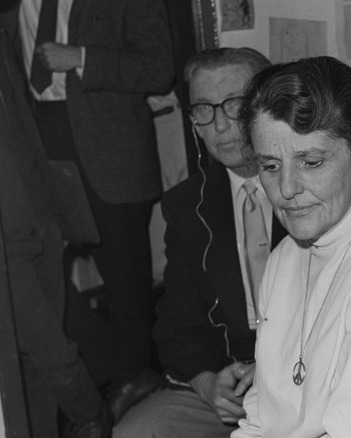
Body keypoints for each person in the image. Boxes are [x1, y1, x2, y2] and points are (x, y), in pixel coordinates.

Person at [232, 56, 351, 437]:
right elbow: (259, 419)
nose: (287, 189)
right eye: (270, 166)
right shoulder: (285, 257)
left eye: (311, 162)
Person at [113, 47, 281, 438]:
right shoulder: (186, 205)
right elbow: (178, 322)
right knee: (134, 433)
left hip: (308, 373)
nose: (219, 126)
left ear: (271, 103)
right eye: (203, 109)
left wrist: (276, 367)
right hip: (229, 381)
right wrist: (207, 382)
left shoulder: (308, 186)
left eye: (234, 104)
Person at [9, 0, 174, 386]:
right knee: (35, 274)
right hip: (37, 144)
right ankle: (105, 374)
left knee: (126, 285)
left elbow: (158, 67)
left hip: (111, 153)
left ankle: (138, 387)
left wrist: (80, 58)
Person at [0, 3, 108, 436]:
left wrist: (54, 210)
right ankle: (94, 415)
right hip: (7, 243)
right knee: (52, 353)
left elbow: (22, 125)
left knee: (36, 371)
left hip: (40, 216)